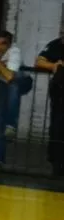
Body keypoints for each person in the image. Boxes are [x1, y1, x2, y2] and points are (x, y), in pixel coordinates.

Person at [0, 30, 31, 167]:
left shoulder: (15, 51)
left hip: (24, 81)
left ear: (9, 44)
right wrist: (0, 65)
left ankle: (11, 124)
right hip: (4, 82)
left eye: (3, 43)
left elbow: (10, 76)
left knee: (13, 84)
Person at [36, 26, 64, 176]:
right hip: (60, 93)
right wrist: (54, 65)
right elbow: (39, 61)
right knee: (58, 128)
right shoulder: (56, 45)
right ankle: (57, 163)